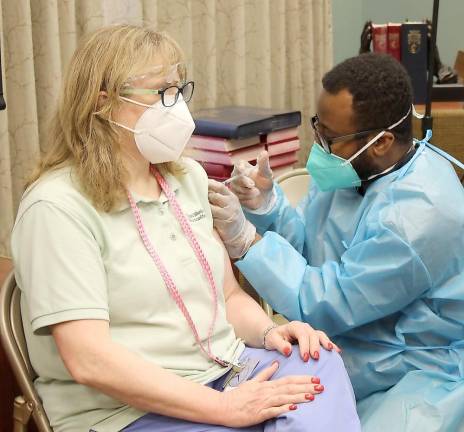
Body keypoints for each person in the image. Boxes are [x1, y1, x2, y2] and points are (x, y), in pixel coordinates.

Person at [10, 25, 360, 432]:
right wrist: (225, 409)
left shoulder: (186, 178)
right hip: (128, 410)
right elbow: (90, 360)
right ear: (102, 103)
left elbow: (226, 296)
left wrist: (270, 333)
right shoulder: (57, 208)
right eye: (161, 93)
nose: (176, 107)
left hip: (226, 369)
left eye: (178, 89)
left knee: (320, 361)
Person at [208, 53, 464, 431]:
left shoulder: (418, 216)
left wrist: (247, 243)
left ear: (381, 142)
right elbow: (311, 249)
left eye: (330, 136)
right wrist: (268, 207)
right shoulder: (356, 171)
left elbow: (323, 302)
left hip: (416, 368)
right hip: (354, 343)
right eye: (318, 127)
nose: (319, 145)